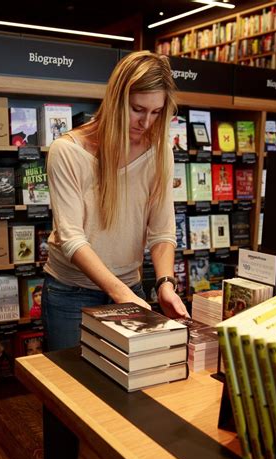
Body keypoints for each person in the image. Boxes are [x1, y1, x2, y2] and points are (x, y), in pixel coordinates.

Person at [42, 51, 189, 351]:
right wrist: (121, 293)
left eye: (157, 112)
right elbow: (71, 239)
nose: (146, 122)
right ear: (116, 98)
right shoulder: (67, 151)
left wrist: (164, 284)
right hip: (72, 293)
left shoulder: (159, 152)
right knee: (70, 389)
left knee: (128, 388)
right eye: (137, 109)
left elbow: (162, 231)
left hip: (128, 288)